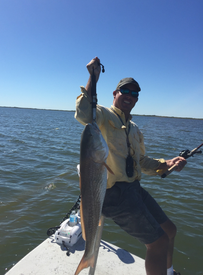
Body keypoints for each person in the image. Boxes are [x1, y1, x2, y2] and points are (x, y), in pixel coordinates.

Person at [75, 57, 186, 275]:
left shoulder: (134, 128)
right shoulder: (103, 116)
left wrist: (167, 164)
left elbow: (141, 163)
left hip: (134, 189)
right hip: (113, 194)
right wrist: (92, 78)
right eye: (124, 91)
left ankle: (169, 271)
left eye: (135, 93)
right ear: (115, 94)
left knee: (170, 231)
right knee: (158, 242)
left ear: (137, 100)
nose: (129, 96)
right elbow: (84, 114)